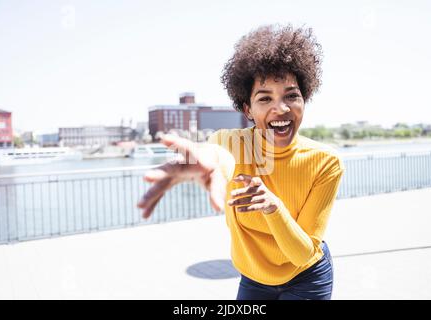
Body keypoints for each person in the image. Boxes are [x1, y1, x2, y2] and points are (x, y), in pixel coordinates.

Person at [137, 24, 344, 300]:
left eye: (291, 96)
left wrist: (273, 207)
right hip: (254, 278)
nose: (280, 109)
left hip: (307, 277)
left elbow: (302, 253)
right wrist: (205, 160)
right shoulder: (232, 143)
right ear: (247, 108)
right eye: (265, 98)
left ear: (304, 100)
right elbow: (218, 154)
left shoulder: (325, 163)